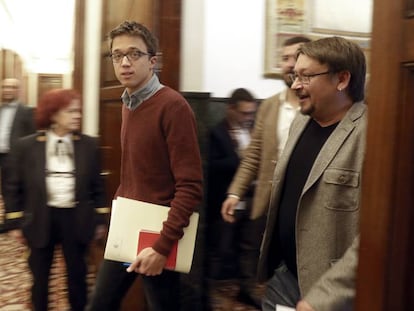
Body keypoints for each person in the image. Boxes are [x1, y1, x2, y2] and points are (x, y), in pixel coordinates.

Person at [87, 21, 203, 311]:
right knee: (100, 303)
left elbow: (190, 186)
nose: (124, 62)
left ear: (153, 61)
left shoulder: (172, 106)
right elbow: (136, 174)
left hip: (159, 233)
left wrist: (162, 246)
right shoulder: (129, 103)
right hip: (128, 225)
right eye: (117, 55)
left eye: (134, 54)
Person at [256, 36, 367, 311]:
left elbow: (376, 235)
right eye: (295, 76)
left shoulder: (371, 135)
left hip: (326, 292)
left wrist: (323, 298)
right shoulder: (300, 122)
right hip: (284, 276)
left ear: (341, 80)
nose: (295, 86)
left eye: (305, 77)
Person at [220, 36, 311, 305]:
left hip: (304, 205)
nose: (289, 64)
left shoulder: (319, 104)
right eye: (284, 59)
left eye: (295, 57)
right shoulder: (269, 106)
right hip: (269, 202)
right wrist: (235, 193)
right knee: (265, 266)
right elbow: (253, 155)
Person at [4, 88, 108, 311]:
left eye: (78, 111)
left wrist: (100, 220)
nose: (77, 116)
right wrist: (14, 223)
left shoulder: (88, 145)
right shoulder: (27, 146)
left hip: (76, 219)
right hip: (41, 217)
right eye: (71, 111)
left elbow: (98, 187)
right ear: (53, 115)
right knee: (40, 278)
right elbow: (14, 186)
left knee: (78, 277)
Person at [206, 88, 259, 306]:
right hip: (225, 201)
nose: (248, 118)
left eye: (251, 113)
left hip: (252, 199)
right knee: (221, 248)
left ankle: (244, 289)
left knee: (246, 248)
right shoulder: (217, 133)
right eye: (244, 113)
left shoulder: (253, 131)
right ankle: (210, 294)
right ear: (230, 110)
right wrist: (242, 160)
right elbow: (212, 165)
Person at [0, 78, 36, 209]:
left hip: (15, 157)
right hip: (1, 156)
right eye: (4, 87)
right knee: (3, 189)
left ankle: (14, 219)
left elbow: (32, 135)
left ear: (18, 90)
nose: (7, 90)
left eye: (11, 87)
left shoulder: (26, 111)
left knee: (12, 190)